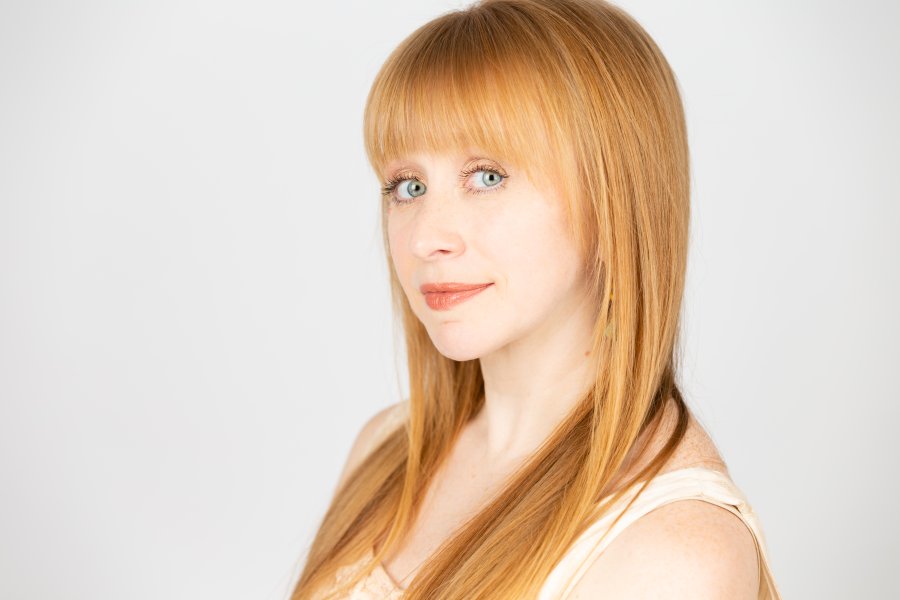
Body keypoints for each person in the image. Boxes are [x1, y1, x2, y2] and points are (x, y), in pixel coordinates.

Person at [292, 0, 783, 598]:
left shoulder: (671, 554)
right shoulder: (385, 448)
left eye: (488, 177)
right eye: (408, 185)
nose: (425, 238)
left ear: (613, 197)